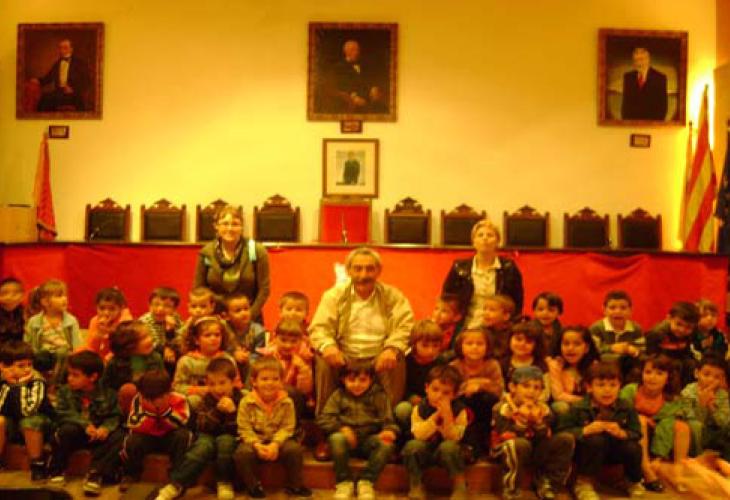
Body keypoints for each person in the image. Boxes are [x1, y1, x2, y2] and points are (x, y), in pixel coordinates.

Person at [309, 247, 414, 416]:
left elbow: (405, 326)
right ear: (348, 270)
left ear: (378, 271)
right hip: (344, 354)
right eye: (357, 269)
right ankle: (326, 418)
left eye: (369, 269)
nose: (363, 275)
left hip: (379, 354)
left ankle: (389, 419)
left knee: (397, 357)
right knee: (323, 358)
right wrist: (328, 346)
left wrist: (392, 348)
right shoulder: (333, 296)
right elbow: (320, 327)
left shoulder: (393, 296)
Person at [155, 358, 243, 500]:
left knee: (225, 442)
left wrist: (232, 413)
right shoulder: (207, 399)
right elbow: (202, 425)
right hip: (208, 435)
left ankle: (224, 482)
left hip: (230, 436)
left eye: (222, 383)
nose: (217, 389)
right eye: (212, 384)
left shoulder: (241, 398)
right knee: (202, 447)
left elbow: (241, 428)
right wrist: (217, 411)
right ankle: (176, 484)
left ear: (232, 382)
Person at [557, 361, 644, 500]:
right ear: (589, 387)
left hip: (614, 450)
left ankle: (633, 482)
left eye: (613, 385)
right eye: (601, 385)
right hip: (587, 453)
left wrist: (622, 433)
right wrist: (585, 430)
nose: (607, 390)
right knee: (596, 440)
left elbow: (637, 432)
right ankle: (583, 483)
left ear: (620, 386)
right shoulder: (578, 407)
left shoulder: (626, 406)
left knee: (633, 447)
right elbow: (561, 433)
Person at [316, 360, 398, 500]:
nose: (357, 384)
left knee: (386, 444)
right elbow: (324, 419)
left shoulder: (378, 396)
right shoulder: (338, 395)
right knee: (336, 438)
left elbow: (389, 421)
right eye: (351, 380)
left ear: (371, 380)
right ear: (343, 380)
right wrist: (341, 428)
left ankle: (366, 481)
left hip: (369, 440)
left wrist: (389, 431)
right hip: (346, 441)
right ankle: (344, 482)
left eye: (362, 380)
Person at [47, 350, 124, 496]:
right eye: (69, 374)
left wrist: (105, 428)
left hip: (98, 437)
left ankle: (96, 474)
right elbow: (62, 413)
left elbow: (115, 416)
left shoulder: (108, 394)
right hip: (77, 435)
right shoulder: (64, 392)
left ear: (93, 377)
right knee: (66, 430)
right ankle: (56, 470)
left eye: (75, 375)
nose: (69, 378)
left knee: (119, 436)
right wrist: (84, 425)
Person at [491, 366, 574, 500]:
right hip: (507, 449)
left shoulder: (544, 409)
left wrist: (538, 422)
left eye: (537, 388)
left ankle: (548, 483)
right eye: (526, 386)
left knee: (565, 439)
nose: (531, 391)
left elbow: (545, 435)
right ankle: (511, 489)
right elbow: (506, 434)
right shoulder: (502, 408)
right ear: (512, 387)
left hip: (534, 448)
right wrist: (522, 422)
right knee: (519, 444)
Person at [234, 357, 311, 499]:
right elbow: (244, 428)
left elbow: (287, 427)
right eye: (264, 379)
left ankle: (295, 484)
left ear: (281, 382)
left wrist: (275, 444)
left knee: (294, 450)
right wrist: (256, 444)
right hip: (255, 441)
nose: (270, 383)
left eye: (275, 379)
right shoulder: (246, 402)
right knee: (243, 453)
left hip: (279, 440)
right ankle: (253, 485)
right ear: (254, 382)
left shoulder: (287, 402)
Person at [619, 354, 690, 492]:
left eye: (659, 373)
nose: (652, 377)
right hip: (631, 433)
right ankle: (646, 470)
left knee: (682, 427)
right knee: (640, 420)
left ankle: (679, 474)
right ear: (641, 374)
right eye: (648, 372)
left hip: (657, 436)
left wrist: (659, 456)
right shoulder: (630, 390)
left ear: (668, 377)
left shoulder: (671, 399)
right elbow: (620, 414)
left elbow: (667, 425)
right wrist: (641, 418)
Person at [441, 218, 524, 330]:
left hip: (498, 327)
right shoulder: (459, 268)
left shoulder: (509, 268)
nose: (485, 238)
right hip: (466, 325)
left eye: (490, 235)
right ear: (473, 242)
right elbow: (447, 300)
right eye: (480, 235)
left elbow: (516, 303)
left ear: (497, 242)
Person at [402, 365, 469, 500]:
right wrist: (435, 417)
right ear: (427, 388)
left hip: (449, 453)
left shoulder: (460, 410)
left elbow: (454, 437)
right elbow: (419, 435)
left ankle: (460, 485)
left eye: (446, 393)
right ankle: (416, 483)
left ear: (454, 394)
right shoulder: (419, 408)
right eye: (435, 389)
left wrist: (448, 416)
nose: (439, 396)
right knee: (412, 446)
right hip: (426, 450)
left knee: (449, 447)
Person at [119, 369, 192, 493]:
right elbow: (133, 423)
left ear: (168, 392)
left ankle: (176, 478)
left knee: (184, 436)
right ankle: (131, 475)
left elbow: (181, 422)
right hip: (148, 436)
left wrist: (163, 411)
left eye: (157, 397)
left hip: (170, 435)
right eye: (148, 398)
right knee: (132, 441)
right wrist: (152, 412)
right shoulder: (139, 399)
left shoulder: (179, 399)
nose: (152, 401)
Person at [193, 205, 270, 322]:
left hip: (248, 316)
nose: (230, 228)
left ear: (242, 227)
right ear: (216, 226)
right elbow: (199, 288)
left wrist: (249, 315)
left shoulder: (255, 250)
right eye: (225, 224)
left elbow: (264, 289)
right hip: (216, 317)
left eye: (235, 224)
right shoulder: (207, 252)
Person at [0, 340, 54, 480]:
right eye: (21, 366)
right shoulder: (3, 380)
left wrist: (20, 386)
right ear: (4, 366)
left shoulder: (37, 381)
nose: (27, 369)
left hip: (39, 422)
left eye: (30, 364)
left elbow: (28, 411)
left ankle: (37, 464)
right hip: (13, 422)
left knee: (29, 422)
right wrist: (7, 383)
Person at [449, 328, 503, 460]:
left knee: (486, 399)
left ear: (487, 347)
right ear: (460, 346)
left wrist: (480, 385)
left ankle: (487, 447)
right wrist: (468, 386)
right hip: (463, 408)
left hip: (486, 409)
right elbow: (450, 391)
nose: (475, 347)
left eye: (480, 344)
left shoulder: (492, 365)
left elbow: (499, 389)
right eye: (469, 343)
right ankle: (469, 447)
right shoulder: (454, 366)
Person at [394, 319, 446, 436]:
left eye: (435, 346)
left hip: (434, 402)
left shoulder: (441, 362)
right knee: (402, 409)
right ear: (414, 344)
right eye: (425, 346)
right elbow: (400, 385)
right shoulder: (406, 362)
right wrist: (410, 396)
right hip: (412, 402)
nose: (431, 350)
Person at [173, 316, 237, 411]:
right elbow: (177, 387)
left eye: (217, 335)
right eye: (207, 335)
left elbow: (236, 384)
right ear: (196, 340)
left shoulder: (228, 359)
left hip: (224, 397)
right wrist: (199, 390)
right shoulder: (186, 361)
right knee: (193, 400)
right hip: (199, 401)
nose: (213, 338)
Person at [24, 279, 81, 384]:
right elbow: (28, 343)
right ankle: (39, 380)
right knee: (41, 356)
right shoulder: (34, 321)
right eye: (59, 296)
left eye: (65, 296)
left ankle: (55, 384)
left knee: (62, 352)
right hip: (44, 355)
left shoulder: (71, 321)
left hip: (64, 355)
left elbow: (77, 344)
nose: (64, 299)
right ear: (45, 302)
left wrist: (76, 355)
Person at [101, 320, 164, 414]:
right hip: (123, 406)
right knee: (128, 390)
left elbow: (163, 383)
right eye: (144, 338)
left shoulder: (156, 358)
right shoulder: (115, 363)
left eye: (149, 335)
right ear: (128, 345)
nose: (150, 339)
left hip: (151, 401)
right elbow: (105, 387)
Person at [256, 319, 313, 419]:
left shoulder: (304, 358)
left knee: (291, 393)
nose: (288, 345)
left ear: (300, 341)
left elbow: (305, 390)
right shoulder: (269, 355)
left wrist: (302, 369)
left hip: (294, 399)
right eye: (283, 340)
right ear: (275, 338)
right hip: (270, 394)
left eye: (293, 341)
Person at [678, 354, 730, 460]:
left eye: (717, 377)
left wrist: (711, 408)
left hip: (714, 432)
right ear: (697, 373)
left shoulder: (722, 394)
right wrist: (702, 405)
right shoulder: (688, 392)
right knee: (695, 426)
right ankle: (698, 458)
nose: (711, 380)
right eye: (706, 375)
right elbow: (689, 417)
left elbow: (724, 423)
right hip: (694, 432)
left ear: (722, 379)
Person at [589, 290, 644, 382]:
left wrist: (634, 351)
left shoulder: (636, 329)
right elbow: (591, 351)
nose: (618, 311)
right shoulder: (597, 328)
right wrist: (611, 348)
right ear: (604, 310)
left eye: (623, 308)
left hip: (628, 369)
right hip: (602, 368)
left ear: (630, 310)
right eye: (612, 308)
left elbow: (642, 351)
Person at [547, 325, 600, 415]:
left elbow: (595, 393)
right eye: (566, 344)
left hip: (590, 406)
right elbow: (558, 395)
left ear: (586, 348)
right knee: (561, 406)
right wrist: (582, 401)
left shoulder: (594, 365)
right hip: (566, 405)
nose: (570, 348)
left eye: (577, 344)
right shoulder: (555, 364)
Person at [324, 39, 387, 114]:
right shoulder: (339, 67)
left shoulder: (363, 65)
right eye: (354, 50)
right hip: (351, 100)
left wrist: (373, 88)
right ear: (347, 52)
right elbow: (341, 85)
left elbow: (368, 80)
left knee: (382, 108)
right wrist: (353, 97)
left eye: (358, 50)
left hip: (368, 97)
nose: (357, 52)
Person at [646, 301, 700, 385]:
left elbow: (687, 352)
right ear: (669, 318)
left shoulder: (691, 334)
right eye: (679, 324)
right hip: (659, 360)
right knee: (676, 365)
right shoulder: (657, 333)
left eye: (688, 327)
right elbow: (650, 356)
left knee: (693, 364)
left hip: (679, 358)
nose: (682, 330)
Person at [33, 38, 90, 112]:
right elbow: (48, 77)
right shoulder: (57, 63)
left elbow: (87, 81)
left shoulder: (79, 63)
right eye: (60, 48)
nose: (62, 50)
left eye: (65, 48)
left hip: (74, 94)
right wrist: (38, 81)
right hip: (59, 93)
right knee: (44, 99)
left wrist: (73, 89)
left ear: (71, 49)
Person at [499, 321, 550, 402]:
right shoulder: (503, 364)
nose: (522, 344)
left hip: (535, 403)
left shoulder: (541, 365)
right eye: (518, 339)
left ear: (536, 345)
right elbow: (500, 390)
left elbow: (545, 393)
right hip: (509, 402)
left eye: (528, 342)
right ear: (510, 339)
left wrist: (531, 402)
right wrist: (514, 401)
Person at [137, 286, 183, 374]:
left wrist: (170, 330)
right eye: (156, 304)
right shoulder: (145, 321)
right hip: (151, 352)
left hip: (170, 351)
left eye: (167, 306)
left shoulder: (175, 318)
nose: (160, 309)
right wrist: (165, 350)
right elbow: (152, 344)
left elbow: (181, 338)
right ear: (149, 305)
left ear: (174, 309)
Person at [221, 292, 267, 382]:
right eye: (238, 311)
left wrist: (247, 357)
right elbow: (220, 348)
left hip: (249, 362)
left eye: (246, 309)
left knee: (254, 364)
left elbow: (260, 353)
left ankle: (248, 388)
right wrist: (233, 354)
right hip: (230, 361)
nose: (243, 313)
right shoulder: (223, 329)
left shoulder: (258, 331)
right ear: (226, 316)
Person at [85, 287, 133, 361]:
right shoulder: (95, 321)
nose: (106, 313)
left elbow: (123, 347)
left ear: (121, 308)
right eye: (102, 308)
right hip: (103, 357)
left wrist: (109, 332)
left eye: (112, 309)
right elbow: (91, 348)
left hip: (121, 356)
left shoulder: (125, 321)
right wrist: (97, 335)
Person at [621, 47, 668, 120]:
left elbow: (662, 108)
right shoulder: (628, 77)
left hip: (652, 124)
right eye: (636, 60)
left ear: (648, 59)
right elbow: (625, 107)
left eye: (641, 59)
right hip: (631, 124)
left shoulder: (660, 78)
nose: (638, 63)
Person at [482, 294, 516, 360]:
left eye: (492, 310)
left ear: (506, 316)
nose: (486, 313)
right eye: (485, 309)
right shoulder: (481, 331)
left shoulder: (513, 332)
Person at [0, 277, 25, 346]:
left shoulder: (26, 313)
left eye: (15, 294)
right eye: (4, 293)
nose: (9, 297)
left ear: (22, 296)